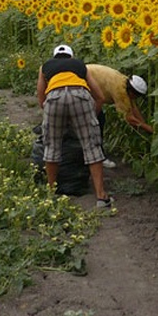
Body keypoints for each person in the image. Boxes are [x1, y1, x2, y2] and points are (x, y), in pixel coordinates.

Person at [36, 45, 113, 208]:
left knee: (51, 147)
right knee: (91, 147)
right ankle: (101, 197)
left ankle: (51, 193)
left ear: (54, 57)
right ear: (70, 57)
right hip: (80, 94)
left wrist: (57, 118)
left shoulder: (45, 67)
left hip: (54, 97)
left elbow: (41, 98)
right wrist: (90, 116)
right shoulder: (80, 66)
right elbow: (99, 96)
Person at [86, 64, 154, 168]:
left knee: (97, 119)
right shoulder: (120, 91)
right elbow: (129, 119)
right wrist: (149, 129)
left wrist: (144, 124)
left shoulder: (125, 82)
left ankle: (90, 153)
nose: (136, 99)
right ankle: (97, 157)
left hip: (86, 76)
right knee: (96, 121)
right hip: (83, 83)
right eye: (136, 96)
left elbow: (133, 107)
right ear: (132, 92)